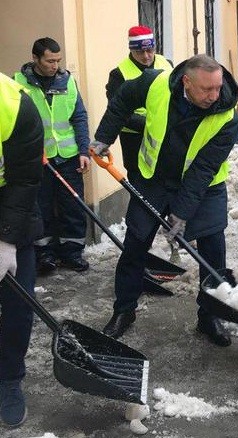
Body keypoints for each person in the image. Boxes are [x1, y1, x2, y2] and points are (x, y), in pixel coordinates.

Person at [90, 54, 238, 346]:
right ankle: (124, 310)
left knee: (212, 249)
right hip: (155, 178)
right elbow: (121, 100)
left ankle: (210, 315)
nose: (214, 96)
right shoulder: (155, 83)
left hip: (203, 185)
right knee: (136, 242)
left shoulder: (226, 115)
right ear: (186, 81)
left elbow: (204, 169)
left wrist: (182, 213)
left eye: (218, 88)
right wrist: (104, 137)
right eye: (206, 89)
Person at [14, 37, 91, 275]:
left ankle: (72, 252)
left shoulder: (67, 81)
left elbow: (79, 117)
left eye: (58, 60)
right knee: (40, 206)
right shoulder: (18, 83)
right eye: (49, 61)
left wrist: (83, 150)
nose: (55, 65)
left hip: (67, 156)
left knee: (73, 206)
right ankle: (44, 253)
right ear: (35, 58)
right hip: (36, 158)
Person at [0, 72, 44, 427]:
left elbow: (26, 178)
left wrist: (6, 241)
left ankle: (9, 378)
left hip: (10, 200)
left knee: (18, 301)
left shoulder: (14, 104)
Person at [105, 25, 173, 182]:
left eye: (150, 50)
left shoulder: (166, 64)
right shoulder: (119, 74)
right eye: (140, 52)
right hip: (135, 140)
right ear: (131, 50)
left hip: (166, 137)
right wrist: (153, 124)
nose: (147, 56)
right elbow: (118, 112)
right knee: (141, 184)